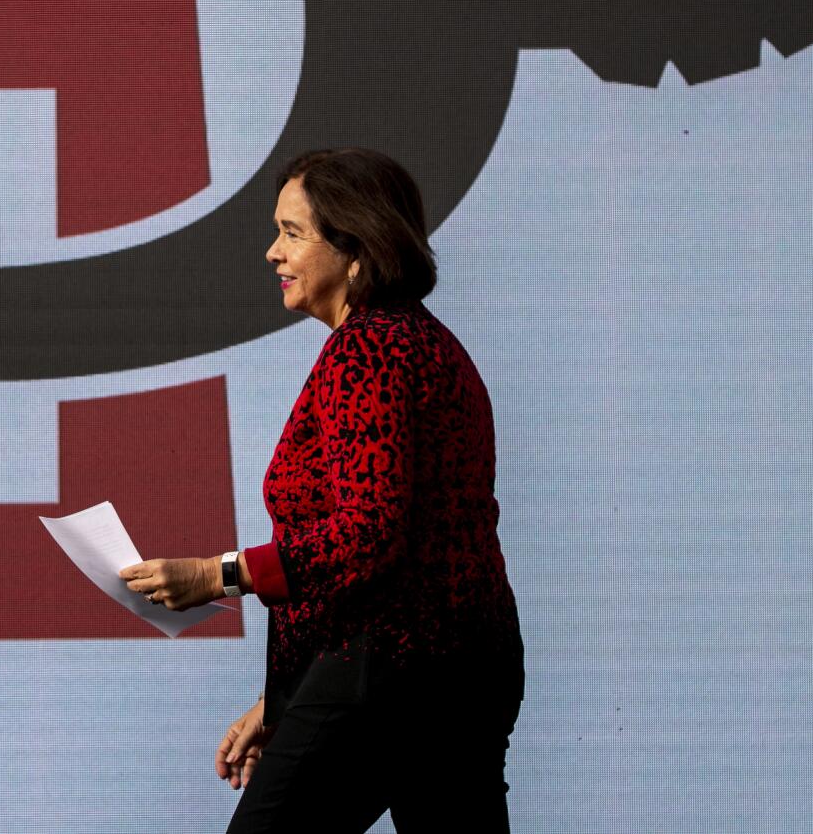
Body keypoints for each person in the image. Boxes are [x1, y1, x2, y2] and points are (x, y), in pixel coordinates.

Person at [120, 147, 524, 832]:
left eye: (293, 232)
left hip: (389, 667)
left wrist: (216, 574)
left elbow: (366, 534)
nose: (273, 252)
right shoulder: (430, 344)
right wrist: (287, 701)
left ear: (357, 246)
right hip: (467, 664)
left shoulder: (369, 350)